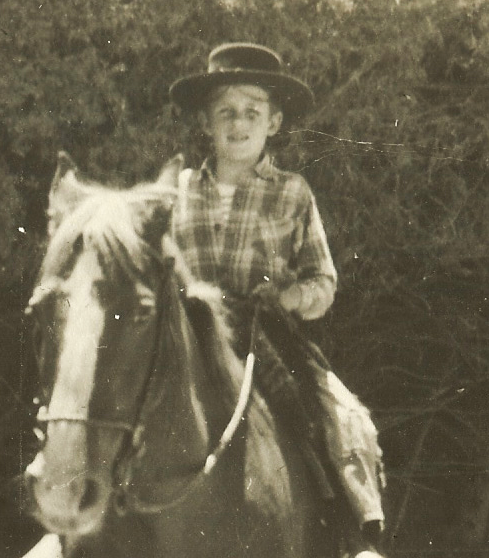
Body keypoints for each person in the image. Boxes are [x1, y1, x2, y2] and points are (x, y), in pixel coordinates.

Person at [161, 42, 386, 557]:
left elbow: (323, 281)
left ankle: (350, 532)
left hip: (262, 333)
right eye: (225, 112)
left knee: (334, 413)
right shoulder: (179, 188)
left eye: (251, 113)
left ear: (274, 121)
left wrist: (291, 295)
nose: (237, 125)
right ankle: (78, 521)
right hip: (188, 334)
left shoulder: (292, 192)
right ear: (206, 122)